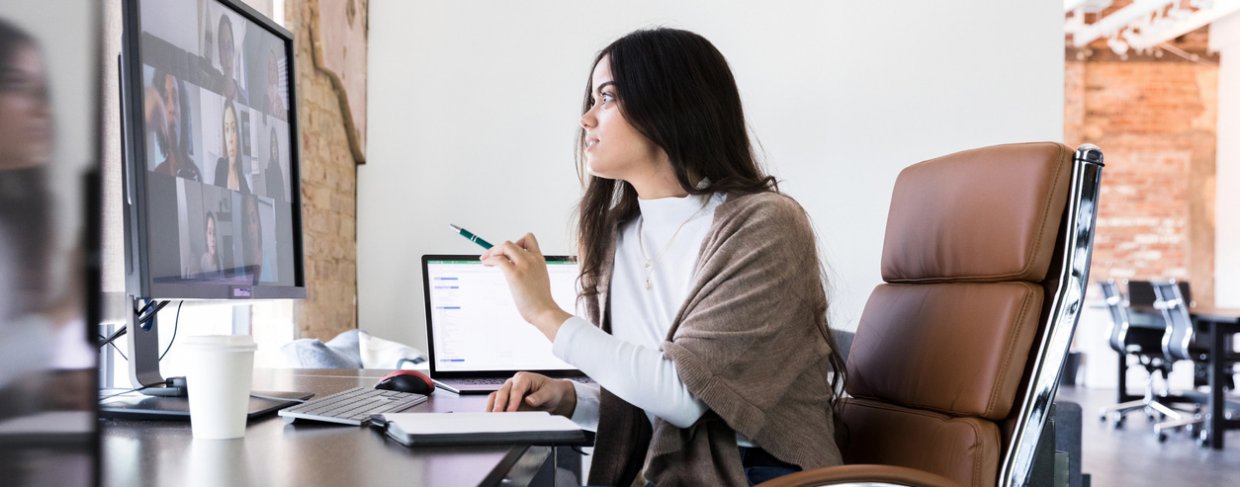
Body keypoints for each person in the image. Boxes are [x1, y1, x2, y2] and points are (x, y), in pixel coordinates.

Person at [480, 28, 846, 486]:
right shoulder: (613, 237)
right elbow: (650, 405)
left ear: (670, 104)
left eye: (607, 97)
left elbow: (683, 396)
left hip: (761, 473)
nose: (587, 119)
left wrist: (544, 313)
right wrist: (571, 398)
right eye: (591, 100)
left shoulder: (764, 225)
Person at [150, 69, 201, 181]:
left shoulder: (195, 172)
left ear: (182, 108)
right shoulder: (157, 173)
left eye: (175, 98)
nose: (171, 108)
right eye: (165, 99)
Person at [213, 99, 249, 193]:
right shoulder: (220, 166)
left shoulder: (243, 180)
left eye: (233, 129)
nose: (230, 139)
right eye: (227, 129)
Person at [216, 13, 247, 103]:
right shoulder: (211, 89)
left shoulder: (244, 100)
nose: (227, 55)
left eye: (229, 46)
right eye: (223, 47)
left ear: (233, 52)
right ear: (220, 56)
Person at [198, 211, 222, 277]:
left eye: (214, 233)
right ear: (206, 237)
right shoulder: (203, 260)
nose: (212, 239)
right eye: (209, 233)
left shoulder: (221, 262)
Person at [264, 127, 285, 201]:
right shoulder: (270, 168)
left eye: (276, 145)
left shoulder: (278, 167)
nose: (275, 149)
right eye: (273, 145)